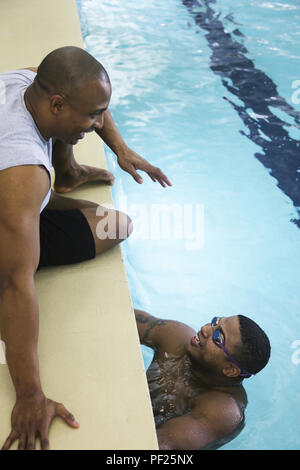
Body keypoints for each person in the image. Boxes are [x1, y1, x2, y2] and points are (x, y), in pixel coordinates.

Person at [0, 46, 171, 451]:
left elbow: (92, 103)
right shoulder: (24, 175)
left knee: (90, 214)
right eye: (92, 116)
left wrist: (121, 149)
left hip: (15, 195)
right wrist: (29, 396)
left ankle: (69, 174)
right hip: (11, 208)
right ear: (57, 103)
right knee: (116, 225)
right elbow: (13, 284)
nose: (97, 124)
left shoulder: (24, 81)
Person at [134, 309, 271, 450]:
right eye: (216, 322)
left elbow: (159, 445)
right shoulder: (177, 337)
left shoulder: (222, 412)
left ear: (230, 370)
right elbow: (122, 315)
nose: (205, 329)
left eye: (218, 338)